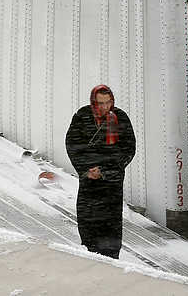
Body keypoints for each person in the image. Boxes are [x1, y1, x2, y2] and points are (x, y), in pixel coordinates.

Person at [65, 84, 136, 259]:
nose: (105, 107)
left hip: (111, 181)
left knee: (110, 221)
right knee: (88, 218)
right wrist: (86, 170)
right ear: (93, 103)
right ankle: (90, 252)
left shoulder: (120, 118)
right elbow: (72, 145)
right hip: (89, 180)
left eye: (108, 102)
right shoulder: (82, 116)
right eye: (100, 103)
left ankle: (111, 256)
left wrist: (105, 170)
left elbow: (128, 149)